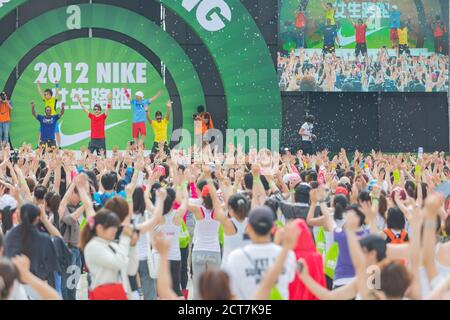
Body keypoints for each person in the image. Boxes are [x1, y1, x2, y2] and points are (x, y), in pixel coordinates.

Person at [224, 206, 297, 300]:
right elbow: (290, 279)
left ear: (249, 228)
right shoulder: (288, 255)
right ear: (273, 228)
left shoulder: (236, 257)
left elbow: (231, 291)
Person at [80, 209, 135, 300]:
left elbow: (131, 269)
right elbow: (118, 262)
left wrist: (133, 245)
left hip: (117, 293)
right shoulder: (93, 246)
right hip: (104, 295)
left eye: (116, 227)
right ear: (99, 228)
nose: (115, 230)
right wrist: (125, 238)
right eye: (112, 227)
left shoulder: (112, 245)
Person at [37, 81, 61, 147]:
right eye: (45, 94)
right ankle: (38, 144)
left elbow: (57, 92)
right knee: (40, 131)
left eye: (46, 94)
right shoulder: (45, 100)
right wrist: (38, 84)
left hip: (53, 118)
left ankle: (59, 146)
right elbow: (41, 93)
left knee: (57, 132)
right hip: (45, 118)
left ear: (50, 95)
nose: (45, 95)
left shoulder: (54, 99)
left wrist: (56, 84)